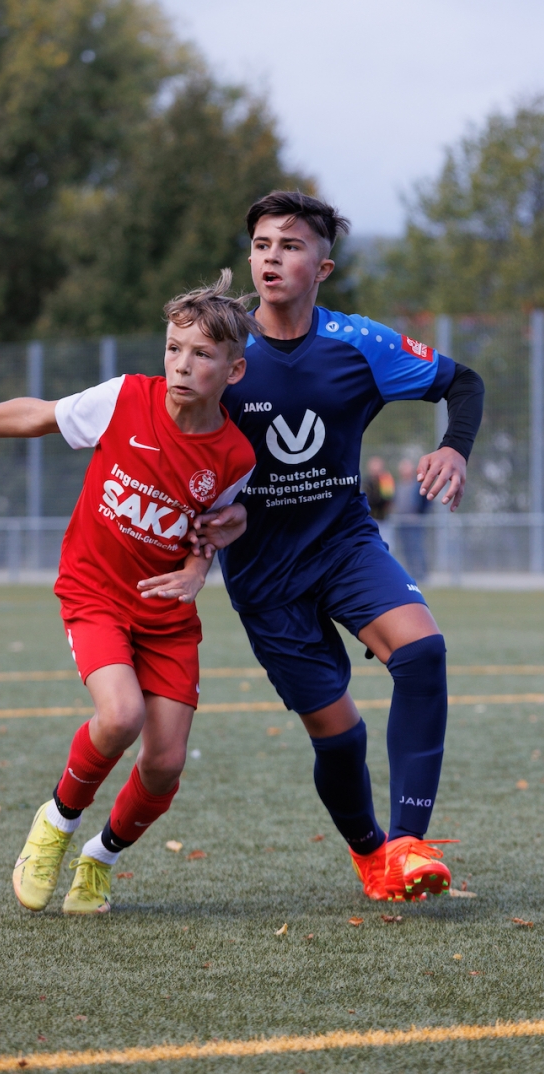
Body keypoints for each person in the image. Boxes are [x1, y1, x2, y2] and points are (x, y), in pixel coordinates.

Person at [0, 272, 256, 916]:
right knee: (120, 716)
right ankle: (56, 823)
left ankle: (100, 859)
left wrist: (198, 571)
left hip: (166, 616)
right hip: (96, 592)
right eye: (174, 348)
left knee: (165, 763)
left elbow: (211, 529)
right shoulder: (125, 398)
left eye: (201, 354)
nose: (181, 364)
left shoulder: (235, 455)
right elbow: (37, 414)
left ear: (234, 370)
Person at [195, 191, 484, 902]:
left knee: (422, 652)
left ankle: (408, 844)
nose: (271, 258)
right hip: (264, 574)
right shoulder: (223, 352)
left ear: (322, 268)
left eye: (290, 246)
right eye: (261, 244)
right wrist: (197, 535)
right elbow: (176, 446)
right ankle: (370, 855)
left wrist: (453, 447)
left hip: (344, 543)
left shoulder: (360, 343)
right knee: (341, 736)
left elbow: (463, 383)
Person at [394, 458, 431, 581]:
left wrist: (419, 514)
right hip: (402, 522)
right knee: (406, 549)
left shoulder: (417, 486)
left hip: (415, 523)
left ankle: (422, 574)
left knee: (417, 548)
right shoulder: (398, 486)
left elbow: (426, 502)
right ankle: (410, 573)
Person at [363, 455, 395, 550]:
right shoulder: (367, 481)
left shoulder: (385, 480)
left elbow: (387, 497)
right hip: (370, 517)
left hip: (383, 518)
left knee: (386, 543)